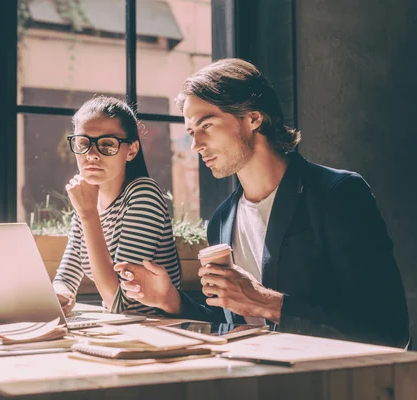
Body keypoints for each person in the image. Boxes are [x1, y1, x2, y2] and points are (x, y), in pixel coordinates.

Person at [114, 58, 410, 348]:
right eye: (192, 132)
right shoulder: (222, 220)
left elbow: (388, 329)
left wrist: (266, 302)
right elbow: (232, 328)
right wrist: (172, 301)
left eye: (207, 125)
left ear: (254, 118)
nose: (196, 144)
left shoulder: (338, 194)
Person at [53, 96, 181, 315]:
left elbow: (120, 304)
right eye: (83, 143)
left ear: (131, 150)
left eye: (107, 144)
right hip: (119, 328)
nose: (91, 155)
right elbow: (65, 277)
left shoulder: (143, 195)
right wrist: (59, 296)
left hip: (157, 329)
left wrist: (88, 214)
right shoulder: (87, 205)